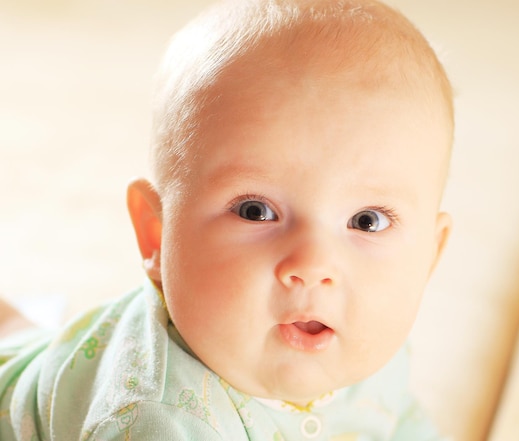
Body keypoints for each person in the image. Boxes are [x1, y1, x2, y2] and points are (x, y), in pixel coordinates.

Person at [0, 0, 454, 439]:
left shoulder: (368, 341)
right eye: (256, 211)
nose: (314, 265)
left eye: (368, 221)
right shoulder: (156, 419)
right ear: (156, 234)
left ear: (429, 257)